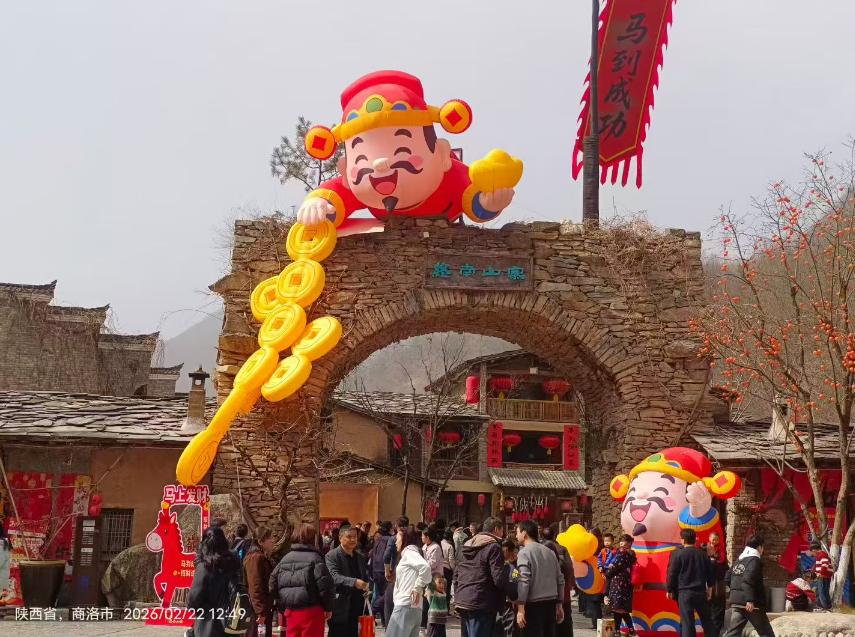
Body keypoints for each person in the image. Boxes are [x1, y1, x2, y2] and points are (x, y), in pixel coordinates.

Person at [271, 524, 335, 637]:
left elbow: (272, 583)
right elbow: (325, 586)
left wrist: (281, 605)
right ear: (313, 538)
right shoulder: (315, 558)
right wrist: (328, 607)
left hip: (290, 612)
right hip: (312, 611)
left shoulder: (285, 559)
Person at [454, 517, 508, 637]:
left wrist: (458, 595)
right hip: (481, 602)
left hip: (463, 600)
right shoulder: (493, 547)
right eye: (502, 530)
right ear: (496, 529)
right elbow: (498, 578)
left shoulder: (466, 545)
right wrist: (511, 589)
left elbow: (456, 575)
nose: (503, 533)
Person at [187, 526, 244, 637]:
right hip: (232, 621)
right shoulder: (234, 562)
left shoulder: (205, 567)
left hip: (209, 624)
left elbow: (193, 600)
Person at [514, 520, 564, 637]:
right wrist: (559, 604)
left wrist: (521, 608)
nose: (516, 536)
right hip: (550, 604)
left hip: (533, 606)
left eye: (517, 532)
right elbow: (560, 579)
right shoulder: (550, 552)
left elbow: (524, 580)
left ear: (524, 533)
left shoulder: (524, 553)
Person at [666, 528, 715, 637]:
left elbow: (672, 573)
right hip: (701, 592)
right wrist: (710, 589)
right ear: (694, 540)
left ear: (683, 540)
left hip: (685, 593)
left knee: (688, 623)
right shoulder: (703, 554)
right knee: (707, 620)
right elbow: (710, 573)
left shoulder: (678, 554)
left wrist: (669, 589)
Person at [724, 536, 775, 637]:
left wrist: (736, 592)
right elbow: (747, 581)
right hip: (752, 605)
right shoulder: (754, 560)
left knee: (732, 633)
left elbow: (727, 577)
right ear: (759, 547)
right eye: (762, 547)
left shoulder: (739, 559)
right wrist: (749, 600)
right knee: (766, 633)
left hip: (737, 603)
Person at [326, 525, 370, 637]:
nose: (353, 539)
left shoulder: (359, 557)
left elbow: (365, 577)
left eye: (355, 537)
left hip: (358, 607)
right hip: (340, 608)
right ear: (340, 538)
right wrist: (354, 582)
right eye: (349, 537)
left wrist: (368, 587)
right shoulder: (332, 556)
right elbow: (334, 577)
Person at [386, 529, 432, 637]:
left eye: (397, 538)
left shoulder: (409, 552)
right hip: (413, 606)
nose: (395, 542)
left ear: (404, 539)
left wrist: (417, 588)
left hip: (405, 605)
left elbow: (425, 568)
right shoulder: (411, 553)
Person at [541, 525, 575, 637]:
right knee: (565, 619)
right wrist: (570, 584)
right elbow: (569, 569)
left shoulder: (539, 549)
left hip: (545, 592)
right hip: (563, 591)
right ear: (555, 535)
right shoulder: (562, 549)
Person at [244, 527, 276, 637]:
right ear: (260, 542)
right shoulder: (255, 558)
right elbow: (255, 586)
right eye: (269, 538)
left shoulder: (261, 557)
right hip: (257, 611)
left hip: (263, 608)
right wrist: (260, 612)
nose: (272, 541)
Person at [604, 534, 637, 637]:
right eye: (621, 541)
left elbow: (615, 567)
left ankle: (625, 630)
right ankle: (623, 630)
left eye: (624, 541)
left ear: (629, 543)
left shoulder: (622, 553)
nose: (621, 543)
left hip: (618, 584)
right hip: (626, 584)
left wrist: (608, 572)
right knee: (620, 609)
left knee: (618, 609)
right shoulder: (631, 554)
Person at [369, 522, 394, 625]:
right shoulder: (390, 539)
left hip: (376, 571)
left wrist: (372, 572)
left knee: (381, 595)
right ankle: (372, 610)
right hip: (385, 571)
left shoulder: (378, 540)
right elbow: (387, 556)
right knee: (385, 596)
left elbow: (373, 556)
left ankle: (384, 620)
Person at [706, 534, 728, 637]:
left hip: (718, 587)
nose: (714, 541)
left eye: (716, 539)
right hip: (710, 587)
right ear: (709, 539)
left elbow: (723, 563)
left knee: (717, 613)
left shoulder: (721, 551)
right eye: (713, 539)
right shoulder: (704, 550)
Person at [500, 539, 521, 637]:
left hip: (510, 606)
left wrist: (512, 598)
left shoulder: (516, 567)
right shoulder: (501, 564)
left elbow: (514, 584)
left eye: (504, 551)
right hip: (500, 605)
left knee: (510, 631)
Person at [809, 541, 832, 611]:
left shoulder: (822, 555)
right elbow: (817, 565)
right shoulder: (820, 556)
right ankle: (825, 606)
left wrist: (820, 574)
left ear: (814, 550)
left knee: (822, 592)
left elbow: (824, 565)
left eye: (812, 552)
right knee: (822, 592)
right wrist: (813, 571)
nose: (812, 554)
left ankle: (825, 607)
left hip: (823, 576)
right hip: (823, 576)